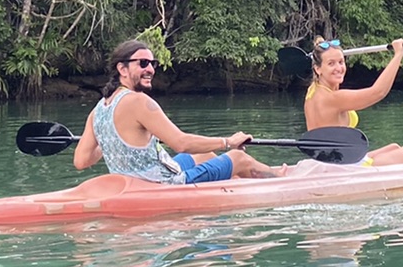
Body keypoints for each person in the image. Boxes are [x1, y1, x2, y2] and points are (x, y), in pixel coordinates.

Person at [76, 39, 287, 183]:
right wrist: (227, 142)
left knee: (204, 154)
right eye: (143, 63)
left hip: (132, 183)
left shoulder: (97, 110)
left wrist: (112, 141)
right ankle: (281, 179)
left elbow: (81, 161)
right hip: (161, 184)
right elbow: (181, 143)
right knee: (238, 158)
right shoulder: (139, 102)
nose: (150, 69)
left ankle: (233, 186)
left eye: (153, 63)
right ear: (122, 69)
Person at [304, 37, 403, 165]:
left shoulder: (313, 91)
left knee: (394, 147)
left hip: (330, 161)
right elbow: (378, 92)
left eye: (341, 62)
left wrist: (322, 53)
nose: (339, 68)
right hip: (344, 167)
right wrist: (398, 54)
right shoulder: (334, 99)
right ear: (317, 69)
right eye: (331, 64)